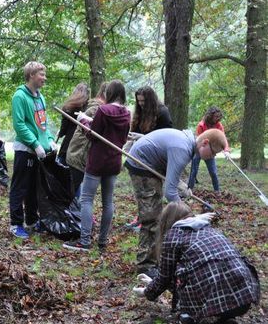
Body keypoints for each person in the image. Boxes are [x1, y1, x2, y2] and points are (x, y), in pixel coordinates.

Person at [133, 202, 260, 324]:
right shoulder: (209, 229)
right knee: (206, 271)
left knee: (186, 273)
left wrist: (147, 292)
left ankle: (188, 317)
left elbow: (166, 276)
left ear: (166, 221)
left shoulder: (173, 236)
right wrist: (153, 281)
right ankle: (227, 317)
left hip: (212, 296)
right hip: (245, 297)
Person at [124, 128, 228, 278]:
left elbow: (171, 176)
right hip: (141, 163)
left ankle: (156, 259)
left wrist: (182, 187)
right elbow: (170, 192)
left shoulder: (188, 145)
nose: (212, 157)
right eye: (213, 153)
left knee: (159, 216)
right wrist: (189, 217)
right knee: (152, 217)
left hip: (152, 164)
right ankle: (145, 266)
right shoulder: (182, 149)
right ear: (205, 143)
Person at [63, 80, 130, 252]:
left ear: (110, 93)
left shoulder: (103, 110)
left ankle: (84, 241)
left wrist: (83, 121)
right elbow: (121, 138)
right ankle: (102, 241)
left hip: (98, 160)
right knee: (108, 201)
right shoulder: (127, 113)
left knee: (86, 199)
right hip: (114, 160)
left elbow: (92, 135)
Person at [9, 61, 57, 239]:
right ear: (31, 75)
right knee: (19, 188)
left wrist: (50, 140)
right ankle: (15, 224)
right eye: (41, 74)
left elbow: (43, 123)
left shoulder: (41, 97)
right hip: (25, 150)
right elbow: (19, 124)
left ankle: (31, 220)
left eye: (44, 74)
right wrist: (35, 143)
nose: (44, 78)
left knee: (34, 188)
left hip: (40, 152)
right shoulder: (19, 97)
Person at [125, 86, 173, 232]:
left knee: (151, 193)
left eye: (143, 101)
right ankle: (141, 217)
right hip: (139, 158)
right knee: (140, 192)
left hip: (155, 159)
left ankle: (150, 221)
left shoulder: (162, 113)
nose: (140, 104)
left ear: (150, 100)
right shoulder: (140, 112)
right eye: (138, 101)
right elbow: (135, 132)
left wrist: (145, 139)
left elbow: (166, 136)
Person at [66, 82, 107, 194]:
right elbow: (88, 134)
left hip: (80, 156)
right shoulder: (96, 109)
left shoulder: (101, 108)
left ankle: (72, 210)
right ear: (105, 93)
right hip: (78, 155)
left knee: (75, 191)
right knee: (71, 192)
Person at [188, 106, 229, 192]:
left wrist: (226, 150)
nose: (218, 118)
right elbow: (199, 140)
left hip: (210, 152)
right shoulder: (201, 125)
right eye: (216, 116)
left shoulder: (219, 125)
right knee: (193, 171)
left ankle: (217, 191)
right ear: (210, 116)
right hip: (199, 149)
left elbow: (223, 139)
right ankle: (189, 190)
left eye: (219, 117)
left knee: (213, 172)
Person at [56, 83, 89, 166]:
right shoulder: (88, 110)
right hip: (81, 148)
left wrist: (59, 133)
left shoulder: (68, 108)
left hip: (67, 147)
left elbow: (63, 130)